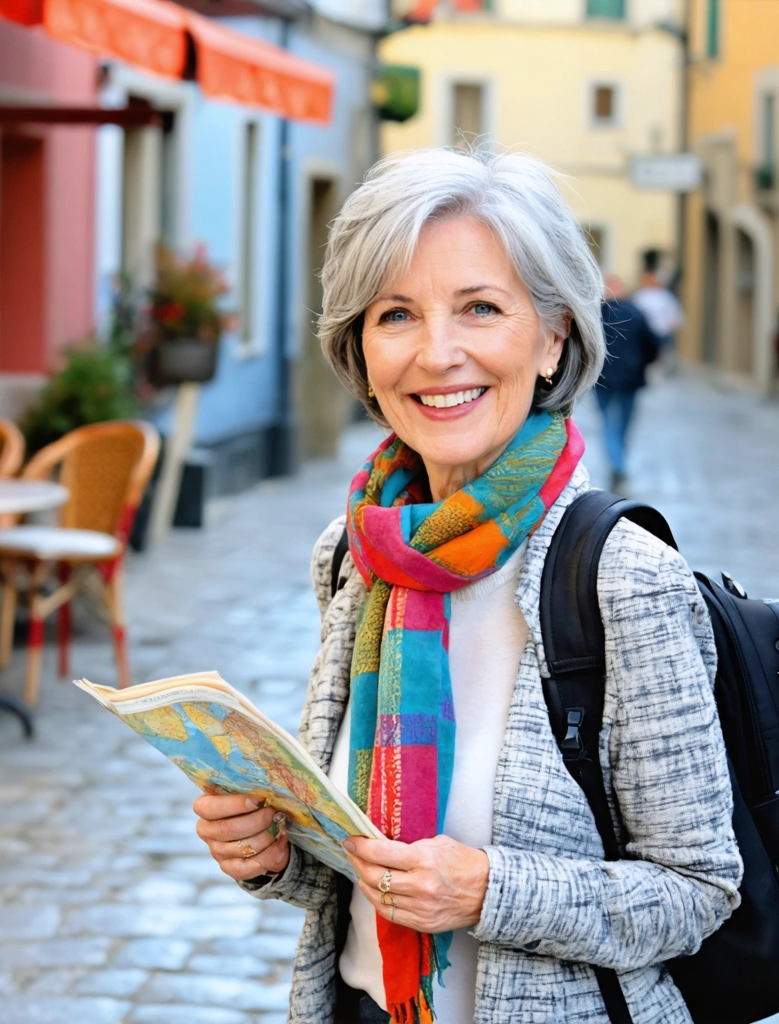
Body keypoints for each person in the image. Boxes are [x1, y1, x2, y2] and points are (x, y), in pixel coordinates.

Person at [192, 148, 741, 1024]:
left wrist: (488, 891)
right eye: (397, 314)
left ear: (554, 333)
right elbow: (356, 868)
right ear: (359, 347)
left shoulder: (621, 577)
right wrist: (269, 851)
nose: (437, 354)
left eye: (480, 308)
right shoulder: (355, 553)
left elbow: (699, 890)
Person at [597, 274, 661, 491]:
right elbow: (651, 344)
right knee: (623, 423)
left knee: (607, 421)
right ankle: (619, 463)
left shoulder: (599, 313)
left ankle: (618, 463)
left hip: (604, 377)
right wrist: (645, 363)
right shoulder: (636, 312)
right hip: (631, 377)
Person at [631, 249, 684, 372]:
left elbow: (675, 317)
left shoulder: (665, 296)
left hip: (662, 335)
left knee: (664, 361)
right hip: (645, 335)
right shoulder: (640, 296)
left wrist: (669, 327)